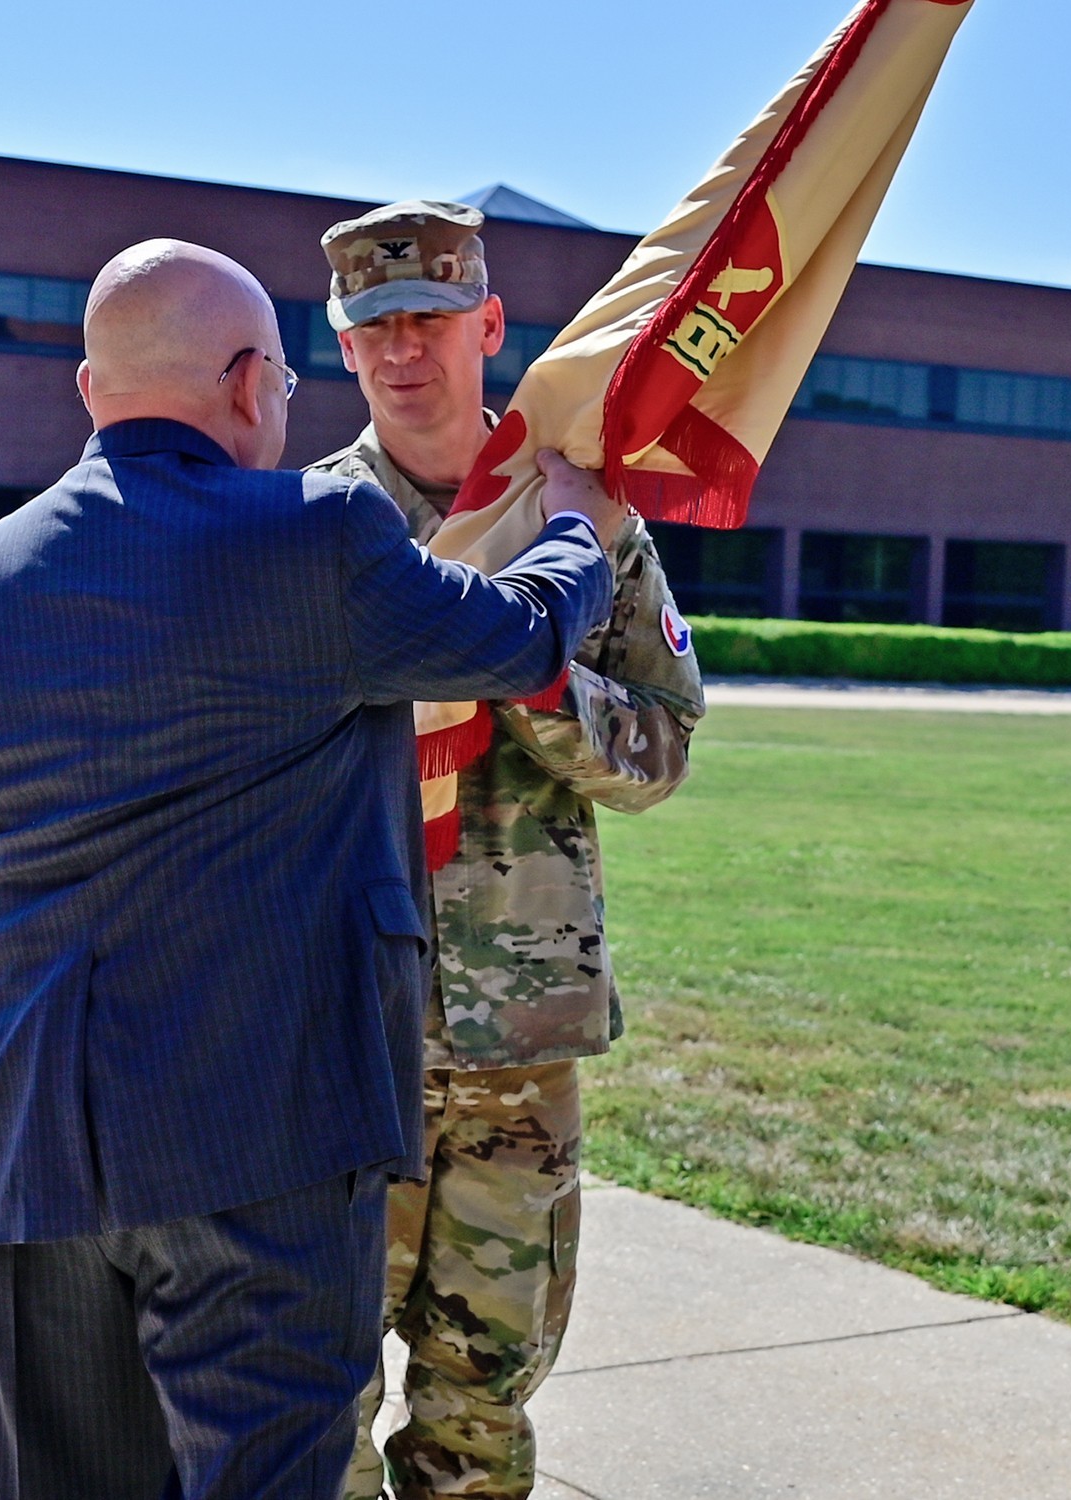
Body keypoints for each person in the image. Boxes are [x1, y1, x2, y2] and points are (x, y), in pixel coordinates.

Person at [0, 238, 625, 1500]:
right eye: (287, 383)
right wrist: (575, 531)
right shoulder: (317, 532)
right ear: (248, 386)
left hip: (39, 1153)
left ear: (91, 392)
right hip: (266, 1138)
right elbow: (510, 639)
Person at [306, 200, 706, 1500]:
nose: (402, 350)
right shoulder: (299, 528)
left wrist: (529, 674)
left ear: (488, 324)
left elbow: (657, 751)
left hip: (513, 1051)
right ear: (339, 343)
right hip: (336, 1042)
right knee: (317, 1404)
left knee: (480, 1413)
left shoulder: (581, 521)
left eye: (428, 319)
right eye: (374, 328)